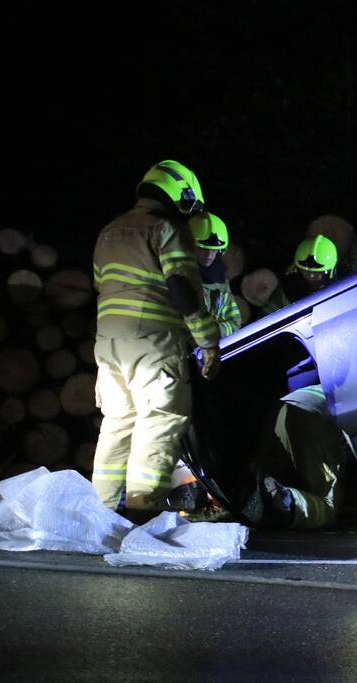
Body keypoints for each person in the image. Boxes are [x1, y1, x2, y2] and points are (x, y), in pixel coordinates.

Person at [92, 160, 221, 521]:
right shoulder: (167, 229)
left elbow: (103, 285)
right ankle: (142, 507)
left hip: (109, 343)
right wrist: (207, 340)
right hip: (153, 342)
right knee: (161, 419)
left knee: (118, 422)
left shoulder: (109, 231)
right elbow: (182, 288)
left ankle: (100, 508)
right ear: (179, 194)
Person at [243, 384, 348, 530]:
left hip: (281, 410)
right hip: (308, 417)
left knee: (273, 479)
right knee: (329, 507)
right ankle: (286, 501)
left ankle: (267, 500)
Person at [189, 212, 242, 337]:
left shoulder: (221, 281)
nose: (209, 255)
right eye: (203, 248)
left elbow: (235, 321)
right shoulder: (179, 277)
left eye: (213, 250)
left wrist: (216, 331)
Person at [282, 234, 339, 301]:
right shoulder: (290, 289)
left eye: (318, 272)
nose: (311, 275)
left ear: (332, 271)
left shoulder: (341, 288)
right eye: (305, 270)